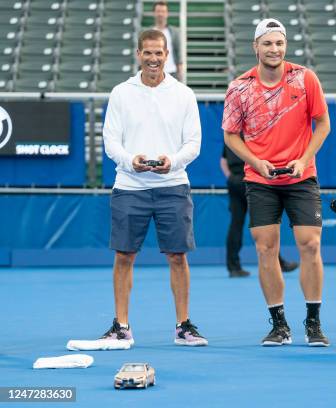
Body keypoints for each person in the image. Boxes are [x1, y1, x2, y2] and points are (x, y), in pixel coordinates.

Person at [222, 19, 331, 347]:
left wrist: (303, 159)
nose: (274, 49)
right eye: (267, 44)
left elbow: (323, 125)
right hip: (259, 179)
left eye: (279, 43)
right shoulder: (239, 87)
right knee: (265, 248)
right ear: (256, 47)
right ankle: (279, 324)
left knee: (310, 244)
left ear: (285, 46)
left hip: (301, 176)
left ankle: (313, 322)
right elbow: (230, 135)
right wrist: (255, 162)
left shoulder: (305, 78)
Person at [102, 29, 206, 347]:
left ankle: (183, 326)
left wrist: (172, 162)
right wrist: (129, 160)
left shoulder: (184, 94)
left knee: (178, 256)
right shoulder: (120, 93)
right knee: (124, 256)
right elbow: (110, 141)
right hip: (128, 185)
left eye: (158, 53)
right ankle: (121, 326)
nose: (153, 59)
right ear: (138, 54)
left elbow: (193, 143)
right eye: (147, 52)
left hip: (173, 185)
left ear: (166, 55)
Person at [221, 144, 299, 278]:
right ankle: (279, 263)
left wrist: (231, 177)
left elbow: (223, 161)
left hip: (235, 181)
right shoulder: (252, 132)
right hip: (252, 180)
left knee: (236, 224)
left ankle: (233, 267)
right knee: (265, 223)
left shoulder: (231, 135)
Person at [151, 1, 183, 82]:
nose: (160, 14)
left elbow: (179, 54)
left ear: (167, 14)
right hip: (153, 73)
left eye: (163, 11)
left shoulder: (174, 32)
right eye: (158, 11)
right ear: (154, 13)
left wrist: (180, 76)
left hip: (171, 73)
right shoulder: (148, 33)